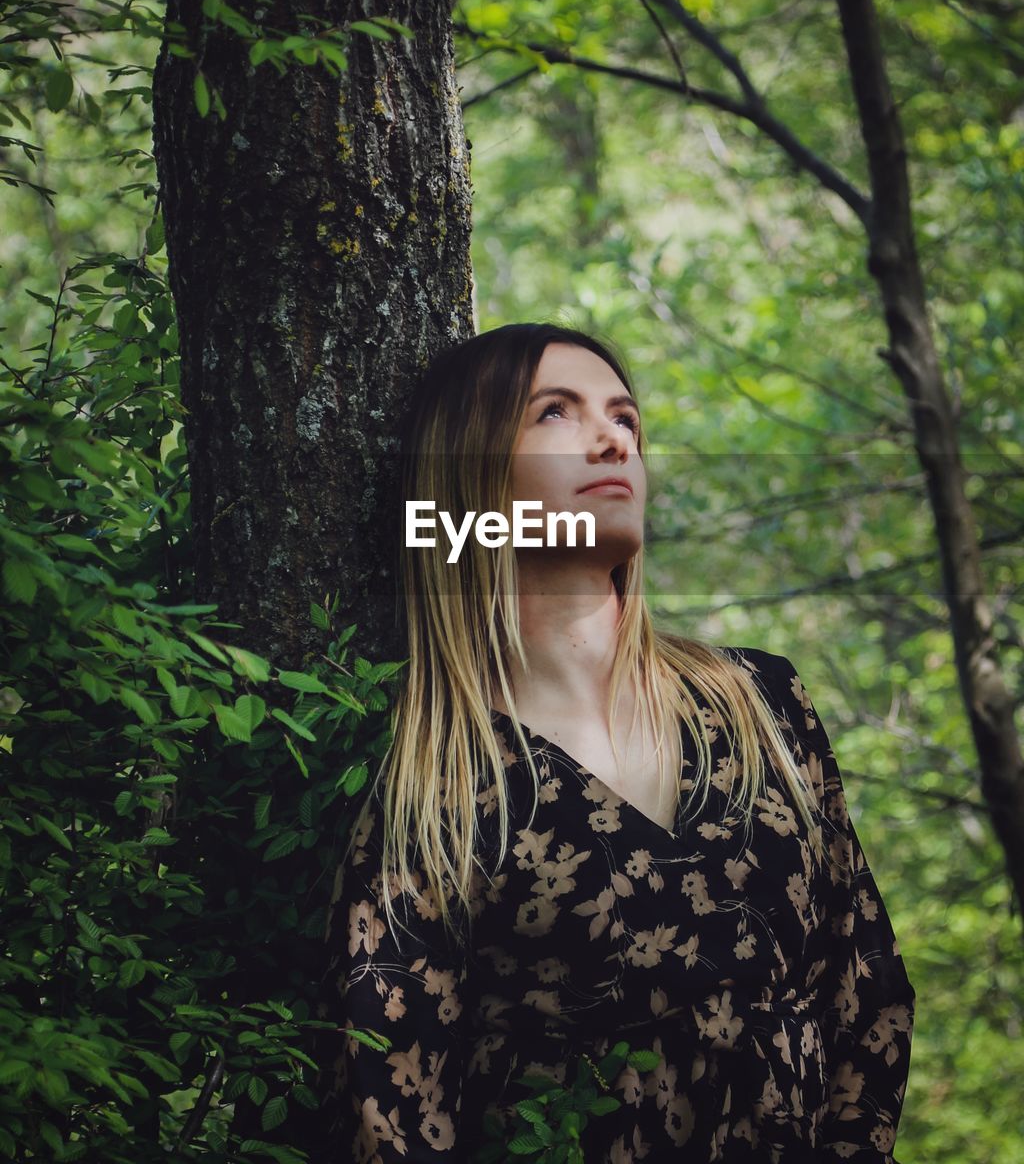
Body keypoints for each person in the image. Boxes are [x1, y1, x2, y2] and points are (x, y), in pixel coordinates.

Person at [312, 323, 915, 1163]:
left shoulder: (762, 706)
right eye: (556, 413)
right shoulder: (439, 785)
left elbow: (869, 1003)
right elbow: (391, 1116)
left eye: (626, 420)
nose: (612, 439)